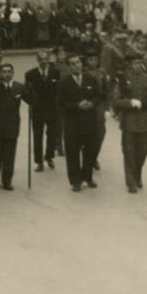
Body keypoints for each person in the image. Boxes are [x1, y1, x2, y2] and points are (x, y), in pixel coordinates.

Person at [111, 52, 147, 193]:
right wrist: (130, 103)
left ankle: (137, 173)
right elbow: (115, 101)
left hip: (144, 120)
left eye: (139, 63)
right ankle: (131, 182)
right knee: (129, 151)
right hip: (129, 121)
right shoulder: (123, 80)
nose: (137, 66)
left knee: (144, 149)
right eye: (134, 64)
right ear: (130, 65)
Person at [58, 53, 100, 192]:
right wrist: (77, 106)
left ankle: (87, 177)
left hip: (89, 122)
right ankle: (75, 181)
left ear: (82, 64)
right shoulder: (63, 83)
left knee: (90, 152)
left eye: (78, 62)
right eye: (72, 63)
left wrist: (92, 104)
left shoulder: (91, 79)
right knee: (72, 153)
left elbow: (99, 95)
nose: (76, 65)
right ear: (69, 67)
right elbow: (61, 103)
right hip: (73, 124)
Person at [0, 62, 24, 190]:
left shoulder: (18, 87)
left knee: (9, 156)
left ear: (12, 73)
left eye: (9, 72)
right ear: (0, 74)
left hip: (12, 126)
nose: (7, 74)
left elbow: (31, 100)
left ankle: (7, 181)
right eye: (4, 72)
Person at [24, 51, 61, 171]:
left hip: (52, 109)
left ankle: (49, 157)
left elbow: (59, 91)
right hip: (37, 109)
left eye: (45, 59)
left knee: (52, 135)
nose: (43, 61)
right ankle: (39, 162)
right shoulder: (30, 74)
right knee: (37, 136)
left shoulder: (55, 72)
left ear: (49, 58)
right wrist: (31, 102)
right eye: (41, 59)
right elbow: (26, 93)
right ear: (37, 60)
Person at [84, 48, 111, 171]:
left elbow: (107, 91)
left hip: (99, 106)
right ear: (87, 60)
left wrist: (107, 108)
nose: (93, 62)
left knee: (100, 134)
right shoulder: (83, 73)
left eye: (95, 59)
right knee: (87, 135)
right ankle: (88, 157)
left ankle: (94, 157)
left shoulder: (102, 73)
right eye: (91, 60)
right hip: (87, 106)